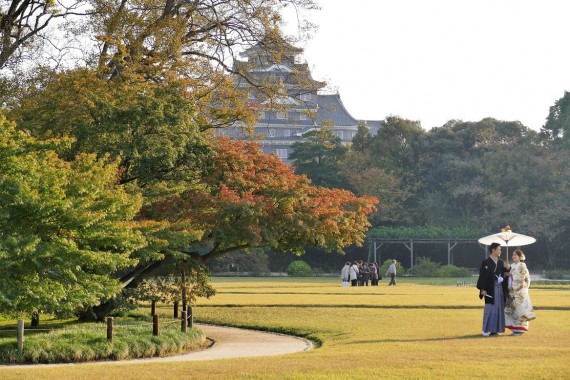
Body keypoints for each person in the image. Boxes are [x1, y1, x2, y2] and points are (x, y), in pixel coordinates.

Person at [476, 242, 510, 337]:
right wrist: (482, 289)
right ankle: (486, 329)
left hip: (500, 289)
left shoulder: (501, 262)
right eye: (499, 249)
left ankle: (495, 330)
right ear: (493, 250)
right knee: (490, 309)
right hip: (490, 289)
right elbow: (483, 276)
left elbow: (505, 274)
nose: (500, 251)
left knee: (498, 308)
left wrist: (508, 269)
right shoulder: (486, 262)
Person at [505, 249, 536, 335]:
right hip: (512, 291)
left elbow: (523, 276)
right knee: (513, 310)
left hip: (520, 292)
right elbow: (509, 276)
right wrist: (508, 271)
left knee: (521, 310)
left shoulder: (522, 265)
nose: (513, 256)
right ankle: (515, 329)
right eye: (513, 255)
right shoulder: (511, 265)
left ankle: (521, 328)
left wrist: (511, 274)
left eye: (515, 255)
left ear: (520, 257)